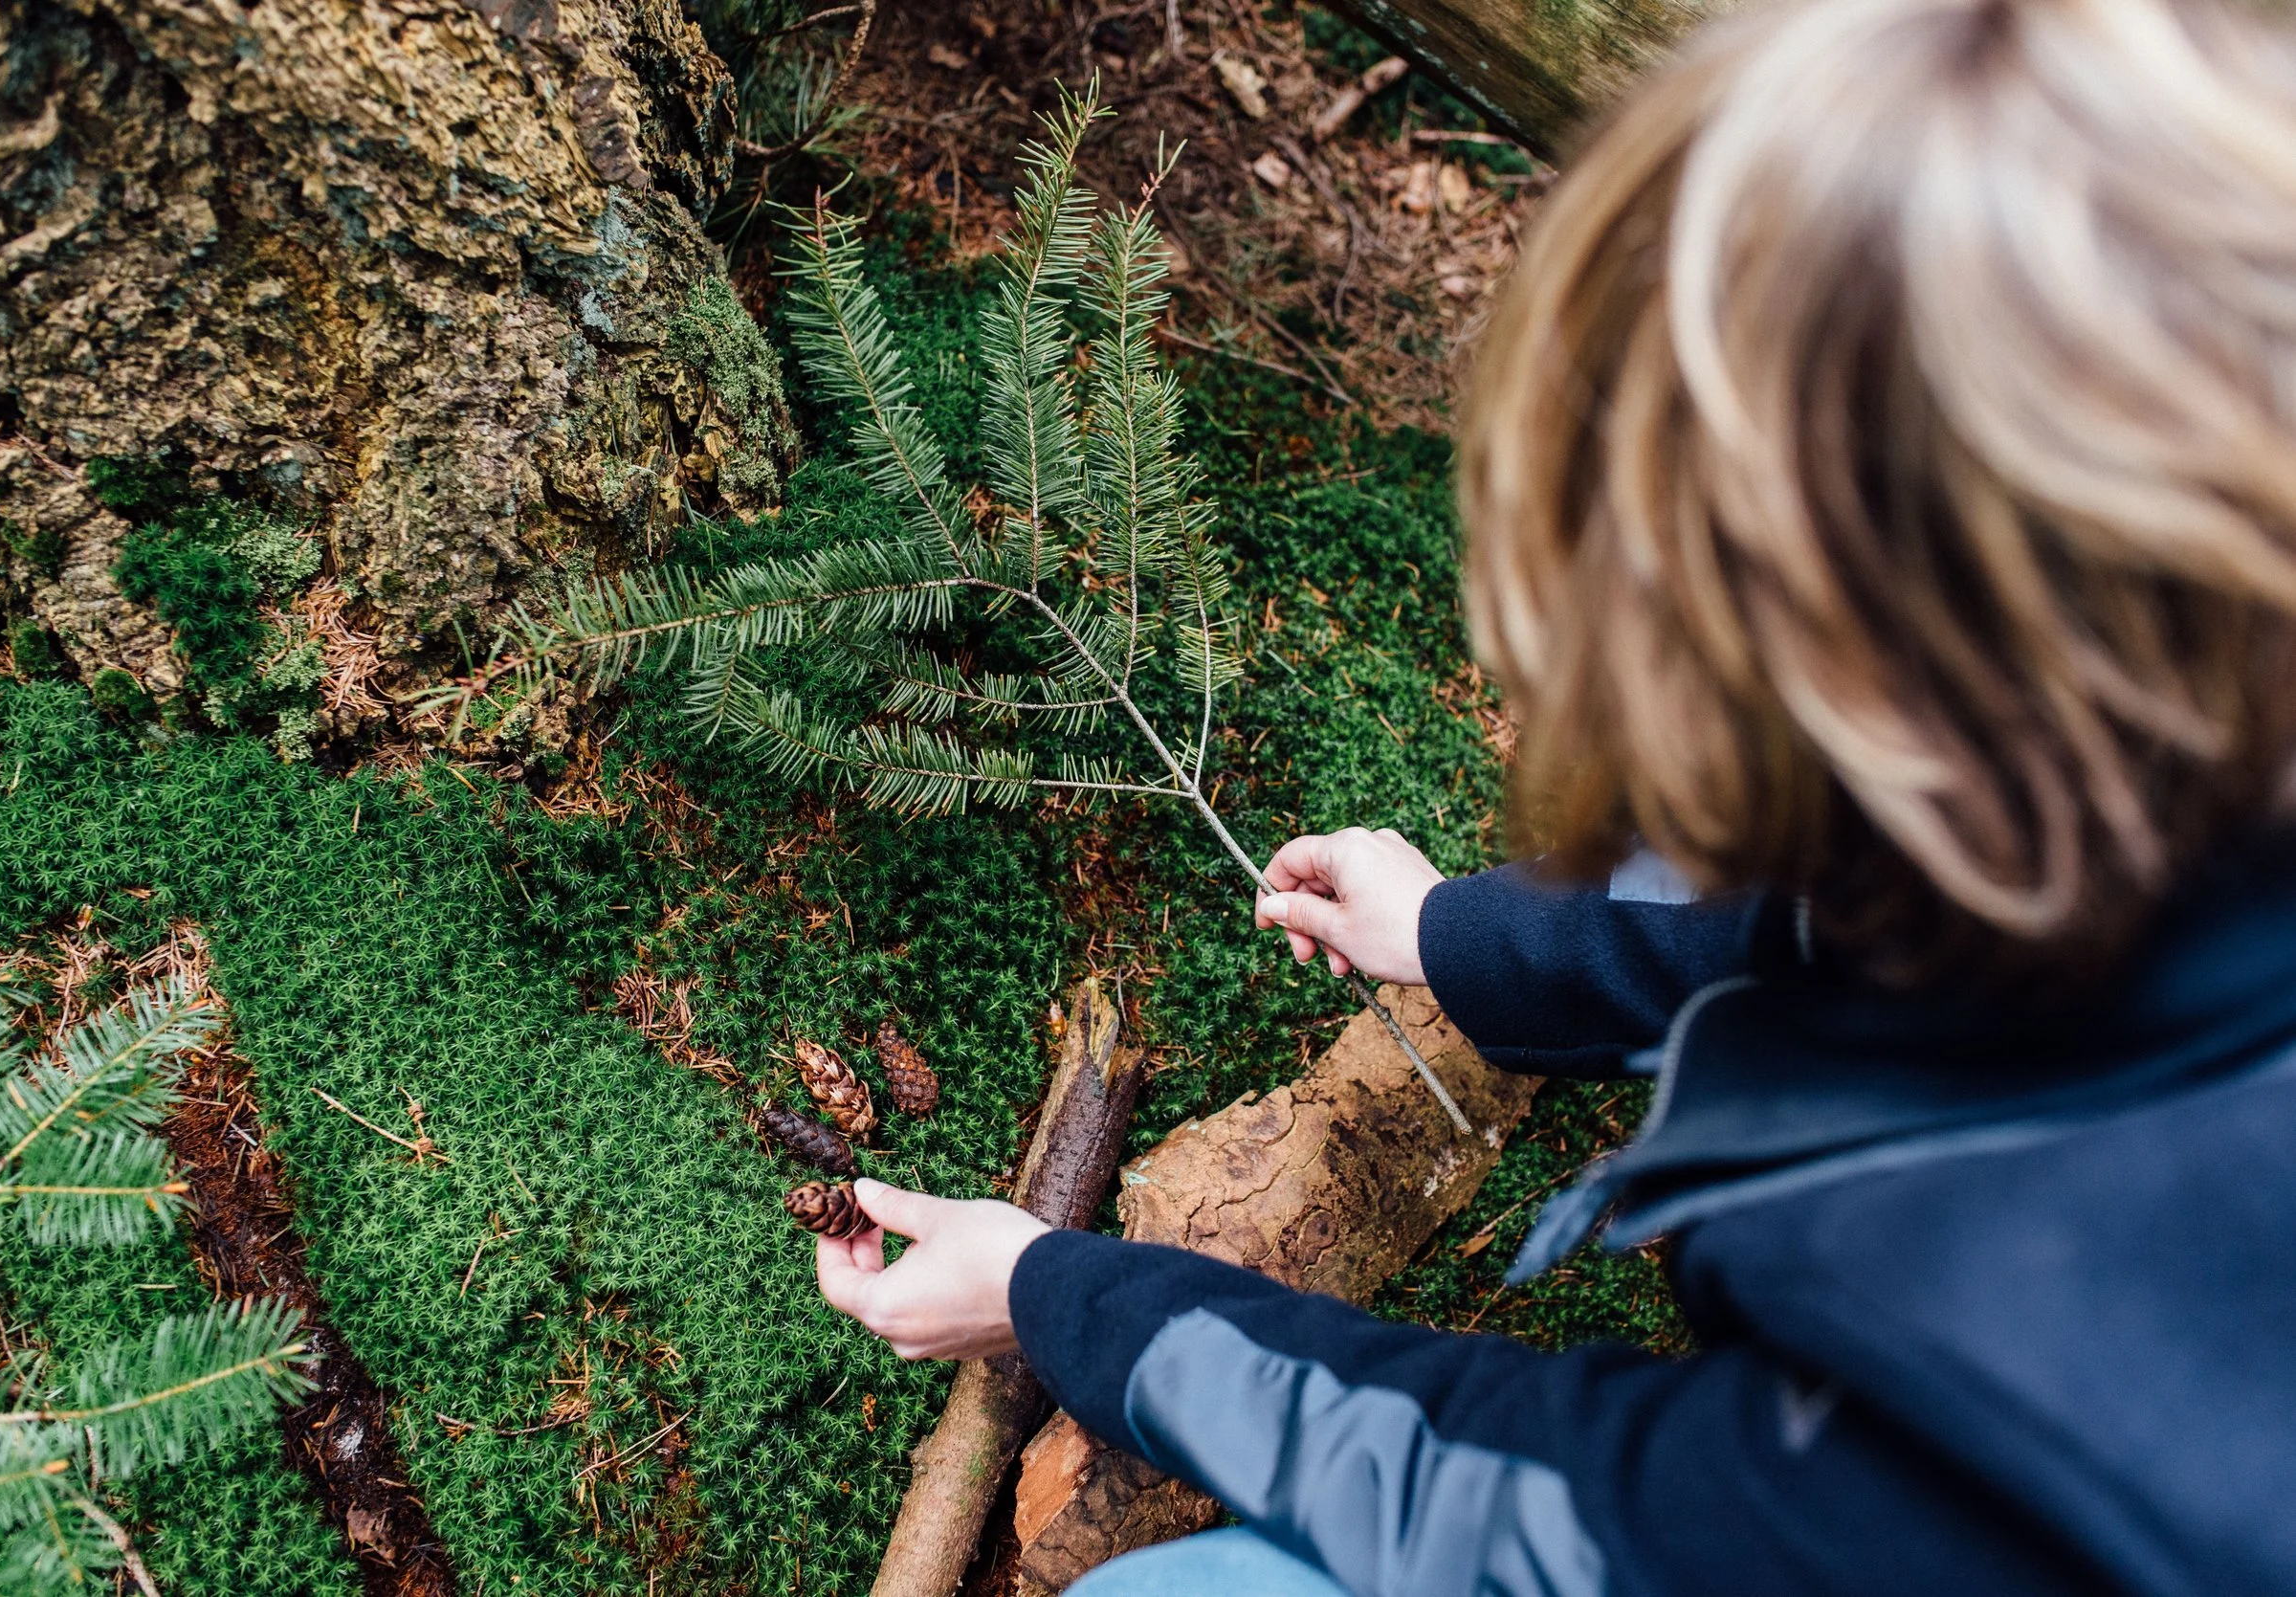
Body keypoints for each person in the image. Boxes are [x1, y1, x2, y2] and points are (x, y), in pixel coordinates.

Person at [813, 0, 2296, 1588]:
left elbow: (1524, 1502)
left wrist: (1053, 1295)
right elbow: (1822, 906)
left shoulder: (2003, 1470)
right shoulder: (2160, 759)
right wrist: (1456, 935)